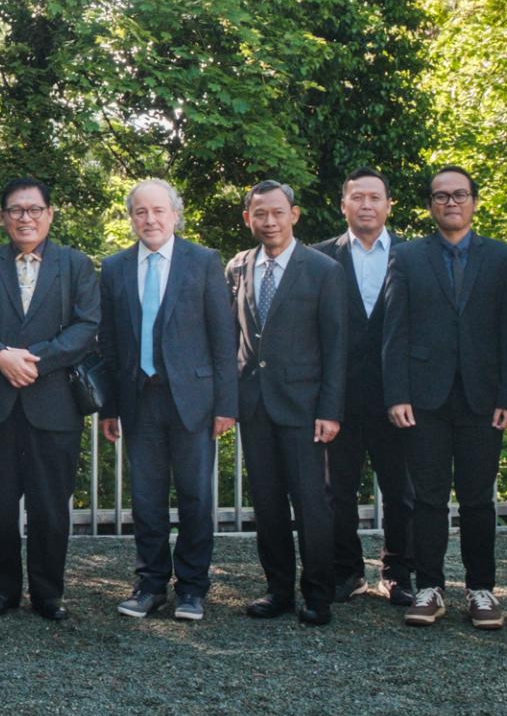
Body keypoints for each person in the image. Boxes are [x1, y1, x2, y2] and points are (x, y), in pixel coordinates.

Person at [0, 177, 99, 622]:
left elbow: (86, 327)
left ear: (49, 214)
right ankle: (1, 590)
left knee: (51, 507)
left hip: (53, 404)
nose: (26, 217)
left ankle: (47, 593)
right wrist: (1, 356)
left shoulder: (76, 265)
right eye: (16, 210)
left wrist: (34, 360)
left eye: (34, 209)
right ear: (3, 217)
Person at [99, 179, 236, 622]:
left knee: (196, 497)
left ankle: (192, 589)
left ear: (175, 215)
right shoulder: (115, 267)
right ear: (131, 218)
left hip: (193, 401)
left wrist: (226, 404)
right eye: (141, 211)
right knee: (146, 499)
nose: (150, 219)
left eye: (158, 210)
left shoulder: (203, 261)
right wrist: (109, 407)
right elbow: (109, 343)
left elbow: (223, 337)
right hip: (139, 400)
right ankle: (150, 584)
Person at [382, 166, 507, 630]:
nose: (450, 202)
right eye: (441, 196)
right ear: (430, 205)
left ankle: (481, 590)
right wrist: (396, 393)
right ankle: (430, 588)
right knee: (428, 499)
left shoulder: (502, 257)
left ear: (474, 201)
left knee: (478, 500)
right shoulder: (407, 256)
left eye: (459, 195)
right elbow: (394, 331)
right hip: (423, 399)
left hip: (483, 399)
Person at [225, 180, 346, 626]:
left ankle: (318, 594)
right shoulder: (238, 266)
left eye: (278, 212)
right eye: (260, 213)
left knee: (311, 504)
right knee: (267, 503)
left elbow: (336, 345)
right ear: (248, 219)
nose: (269, 221)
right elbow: (232, 338)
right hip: (254, 404)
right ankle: (277, 590)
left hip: (305, 407)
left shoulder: (323, 269)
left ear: (294, 215)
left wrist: (330, 409)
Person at [312, 167, 413, 605]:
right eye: (357, 197)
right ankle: (347, 572)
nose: (366, 205)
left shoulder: (413, 256)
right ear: (344, 205)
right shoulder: (319, 258)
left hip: (399, 396)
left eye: (375, 197)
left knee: (402, 492)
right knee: (337, 492)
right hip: (339, 397)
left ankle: (399, 574)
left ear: (389, 205)